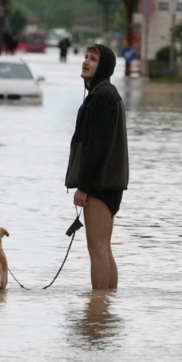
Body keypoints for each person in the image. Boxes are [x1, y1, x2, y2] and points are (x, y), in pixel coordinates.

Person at [66, 44, 129, 291]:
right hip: (108, 182)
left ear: (103, 67)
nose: (86, 62)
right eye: (85, 57)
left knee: (97, 248)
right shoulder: (104, 94)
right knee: (104, 246)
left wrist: (84, 187)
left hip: (100, 184)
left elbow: (97, 147)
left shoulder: (102, 97)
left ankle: (98, 314)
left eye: (92, 59)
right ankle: (106, 308)